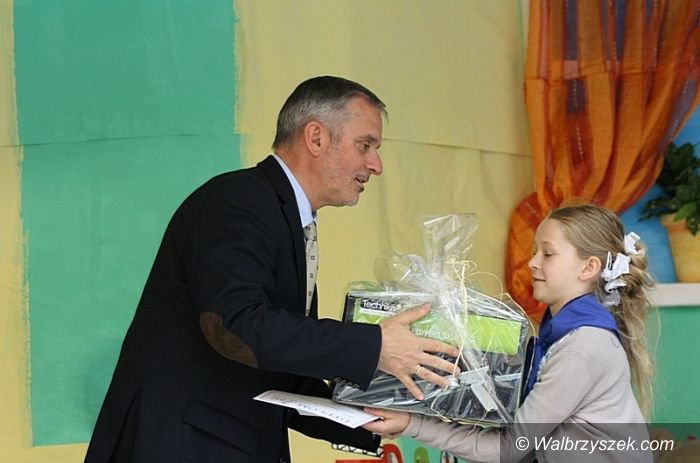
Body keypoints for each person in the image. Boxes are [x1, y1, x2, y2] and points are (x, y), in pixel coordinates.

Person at [84, 76, 460, 463]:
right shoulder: (237, 201)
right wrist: (374, 346)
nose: (375, 165)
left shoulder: (285, 219)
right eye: (365, 145)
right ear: (316, 138)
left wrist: (367, 417)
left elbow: (278, 366)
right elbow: (236, 326)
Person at [364, 204, 656, 463]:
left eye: (548, 253)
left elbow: (509, 449)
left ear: (589, 267)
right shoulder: (564, 334)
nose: (532, 262)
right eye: (534, 251)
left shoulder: (582, 347)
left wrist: (411, 423)